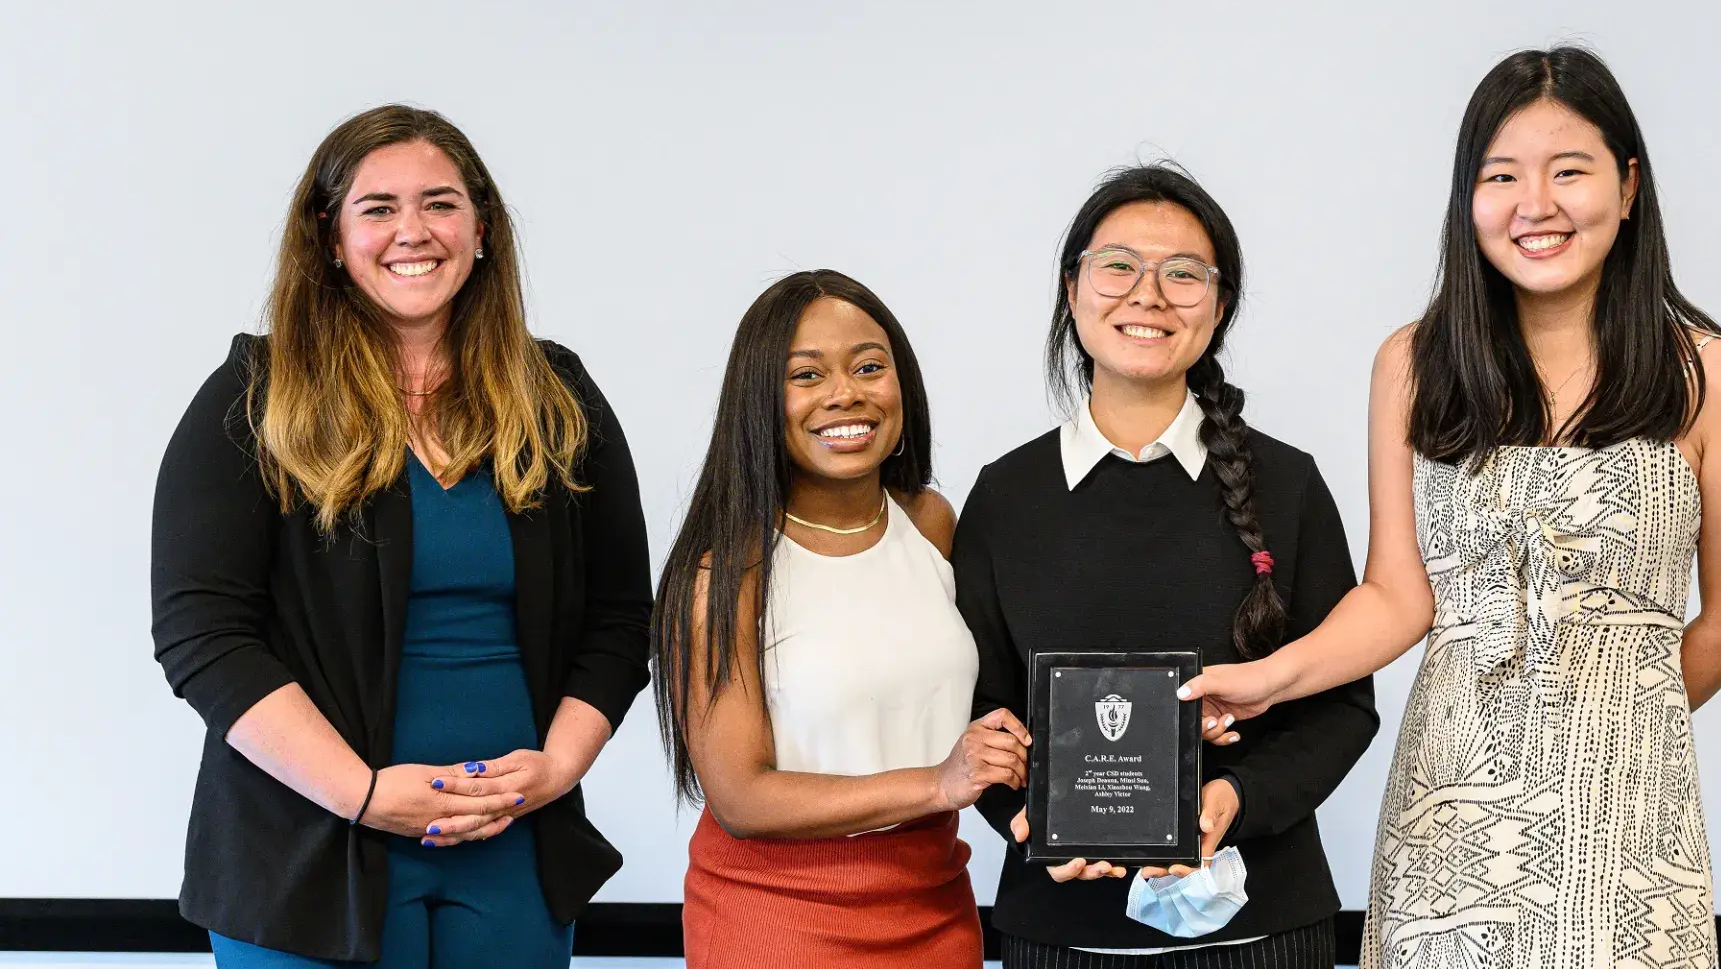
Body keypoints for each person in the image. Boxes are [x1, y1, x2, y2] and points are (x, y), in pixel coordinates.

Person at [1179, 47, 1721, 969]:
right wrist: (1268, 678)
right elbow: (1397, 597)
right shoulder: (1412, 365)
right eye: (1501, 176)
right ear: (1470, 199)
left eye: (1568, 171)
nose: (1534, 205)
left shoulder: (1717, 379)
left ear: (1627, 188)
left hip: (1625, 822)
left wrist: (1614, 723)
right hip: (1446, 806)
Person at [150, 105, 652, 966]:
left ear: (483, 228)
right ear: (329, 236)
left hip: (514, 845)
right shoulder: (253, 395)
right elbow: (203, 633)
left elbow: (619, 616)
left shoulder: (556, 392)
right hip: (303, 854)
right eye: (378, 207)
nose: (412, 231)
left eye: (441, 203)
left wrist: (559, 769)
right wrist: (361, 794)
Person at [954, 163, 1380, 968]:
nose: (1147, 294)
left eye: (1184, 274)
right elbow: (978, 706)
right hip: (1059, 933)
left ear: (1219, 308)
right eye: (1119, 265)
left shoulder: (1287, 484)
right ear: (1072, 288)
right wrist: (1023, 811)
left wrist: (1233, 800)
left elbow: (1341, 709)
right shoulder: (1005, 496)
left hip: (1261, 930)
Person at [654, 270, 1025, 967]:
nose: (845, 394)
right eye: (806, 375)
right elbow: (741, 797)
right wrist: (937, 783)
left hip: (935, 900)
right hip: (778, 918)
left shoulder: (931, 523)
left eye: (869, 367)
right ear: (760, 400)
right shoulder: (725, 573)